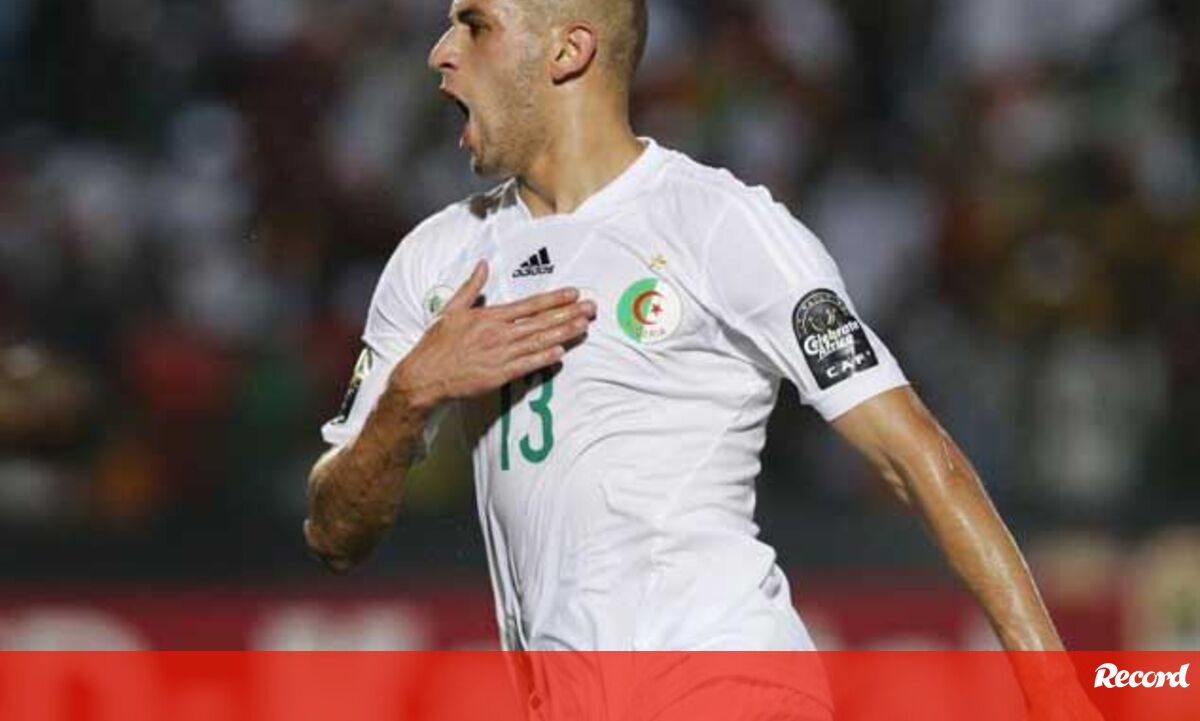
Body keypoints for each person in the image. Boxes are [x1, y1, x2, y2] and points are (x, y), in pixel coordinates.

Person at [303, 0, 1102, 718]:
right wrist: (410, 395)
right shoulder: (437, 260)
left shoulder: (718, 225)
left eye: (475, 24)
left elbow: (915, 454)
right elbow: (334, 532)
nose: (441, 51)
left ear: (568, 51)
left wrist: (1055, 691)